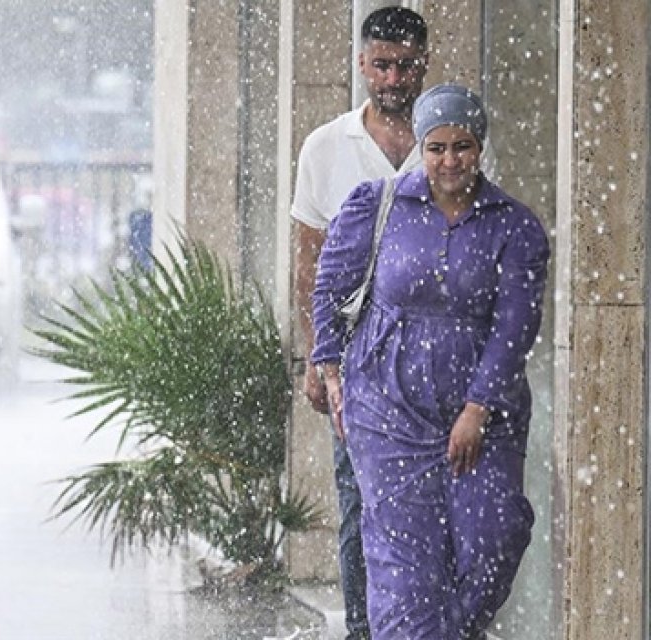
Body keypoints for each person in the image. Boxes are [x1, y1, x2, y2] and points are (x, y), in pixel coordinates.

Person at [310, 84, 549, 638]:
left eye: (462, 146)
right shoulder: (378, 205)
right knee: (404, 570)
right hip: (387, 410)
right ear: (421, 147)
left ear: (479, 147)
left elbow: (515, 328)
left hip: (485, 416)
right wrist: (331, 372)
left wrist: (477, 408)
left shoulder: (513, 225)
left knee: (495, 538)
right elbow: (329, 290)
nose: (449, 161)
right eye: (436, 148)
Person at [289, 7, 432, 638]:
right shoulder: (326, 147)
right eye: (381, 65)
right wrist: (316, 357)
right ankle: (363, 630)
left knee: (435, 505)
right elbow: (309, 263)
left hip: (434, 356)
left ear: (424, 64)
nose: (393, 78)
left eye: (405, 66)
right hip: (356, 359)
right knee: (359, 503)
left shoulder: (448, 144)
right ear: (361, 65)